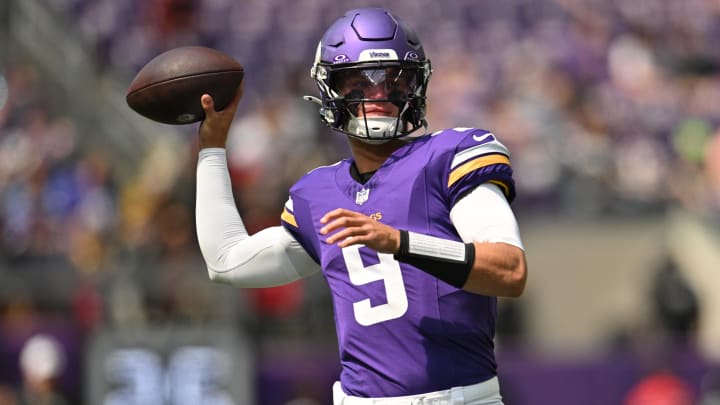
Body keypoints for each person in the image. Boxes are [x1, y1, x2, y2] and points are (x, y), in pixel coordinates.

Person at [195, 7, 527, 404]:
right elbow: (227, 261)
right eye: (358, 85)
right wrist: (211, 149)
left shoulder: (450, 155)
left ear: (416, 87)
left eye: (394, 82)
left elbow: (509, 271)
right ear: (331, 92)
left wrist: (400, 243)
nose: (378, 96)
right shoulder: (317, 192)